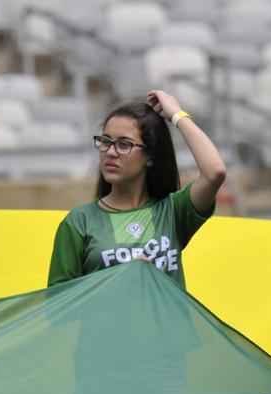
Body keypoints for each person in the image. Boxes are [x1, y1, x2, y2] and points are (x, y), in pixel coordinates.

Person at [47, 90, 226, 289]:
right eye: (105, 142)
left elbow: (215, 172)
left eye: (124, 144)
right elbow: (58, 306)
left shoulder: (173, 211)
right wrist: (120, 279)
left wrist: (176, 114)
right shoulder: (79, 222)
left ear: (150, 155)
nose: (111, 152)